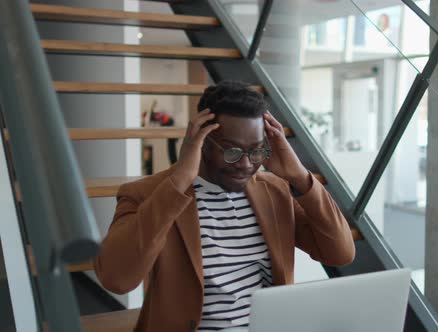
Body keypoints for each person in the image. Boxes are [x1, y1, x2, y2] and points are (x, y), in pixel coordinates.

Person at [94, 81, 356, 331]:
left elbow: (340, 253)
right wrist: (180, 180)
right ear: (202, 139)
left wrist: (300, 176)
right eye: (232, 151)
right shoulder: (148, 195)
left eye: (256, 151)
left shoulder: (273, 191)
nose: (245, 164)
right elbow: (117, 279)